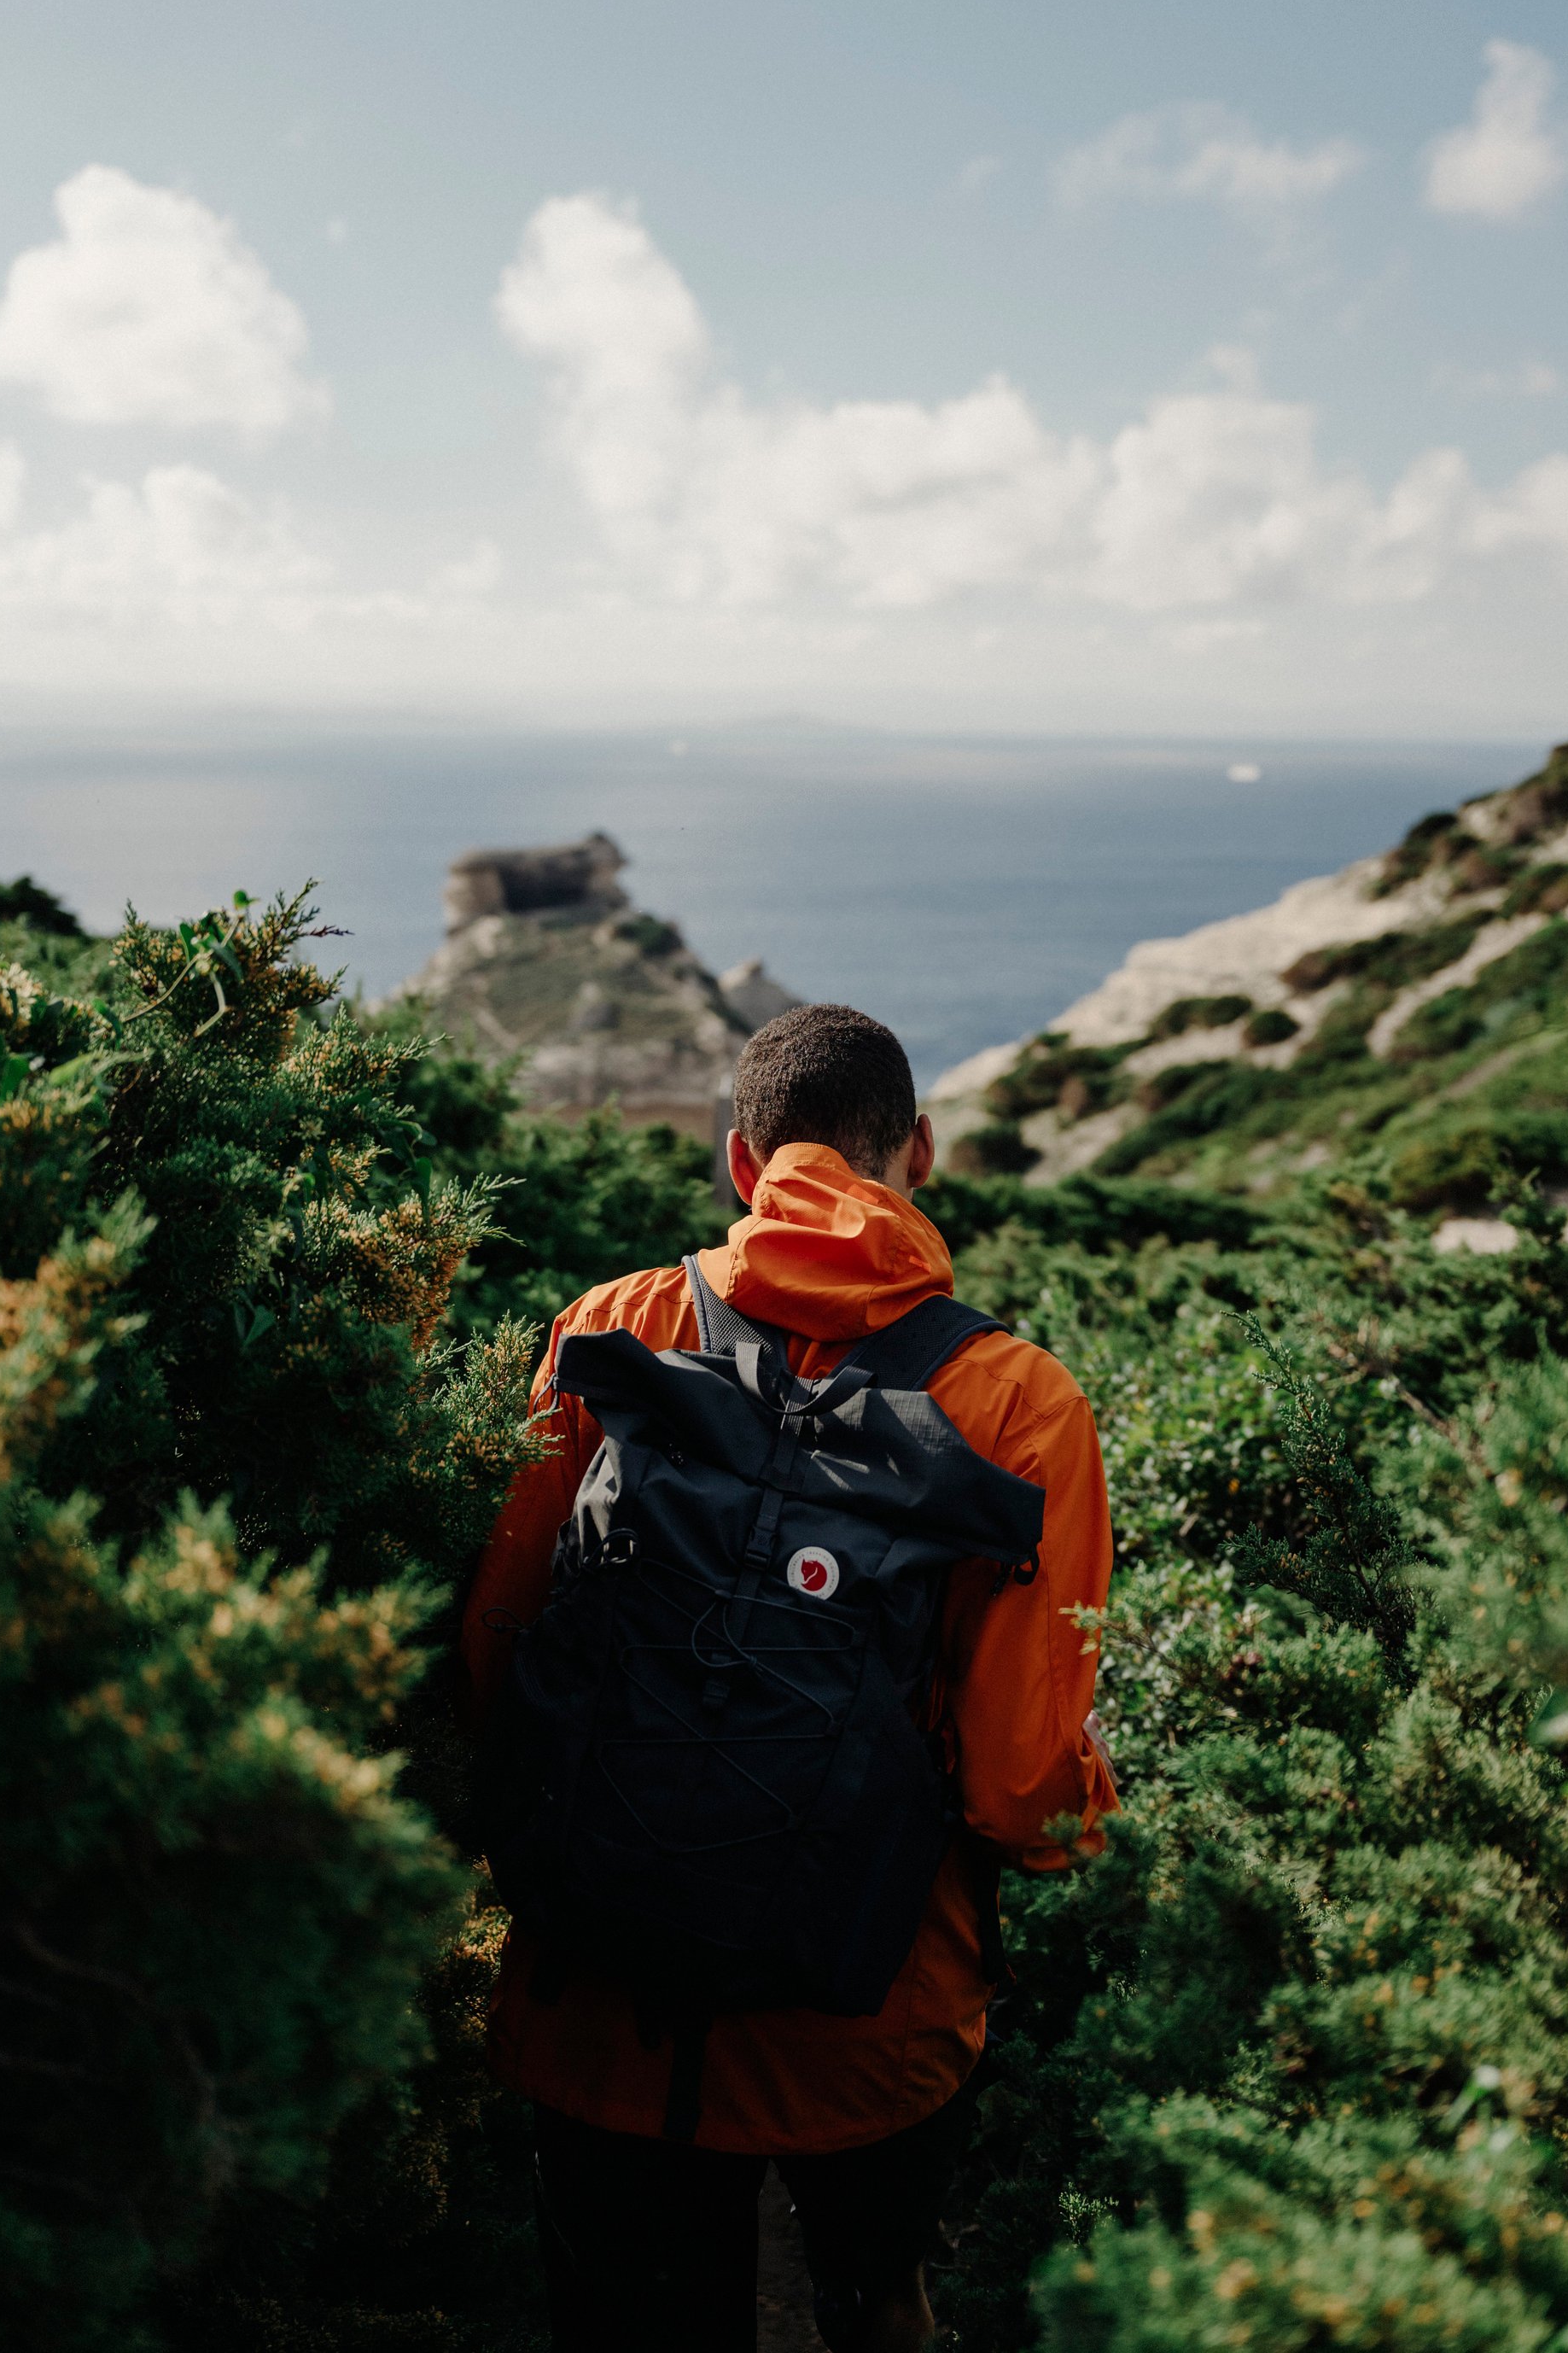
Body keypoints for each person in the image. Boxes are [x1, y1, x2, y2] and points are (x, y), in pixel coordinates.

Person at [462, 1003, 1116, 2352]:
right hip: (875, 2016)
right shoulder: (1018, 1402)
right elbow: (1018, 1794)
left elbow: (499, 1647)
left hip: (601, 2004)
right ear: (921, 1152)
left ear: (742, 1165)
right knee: (877, 2308)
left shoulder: (616, 1327)